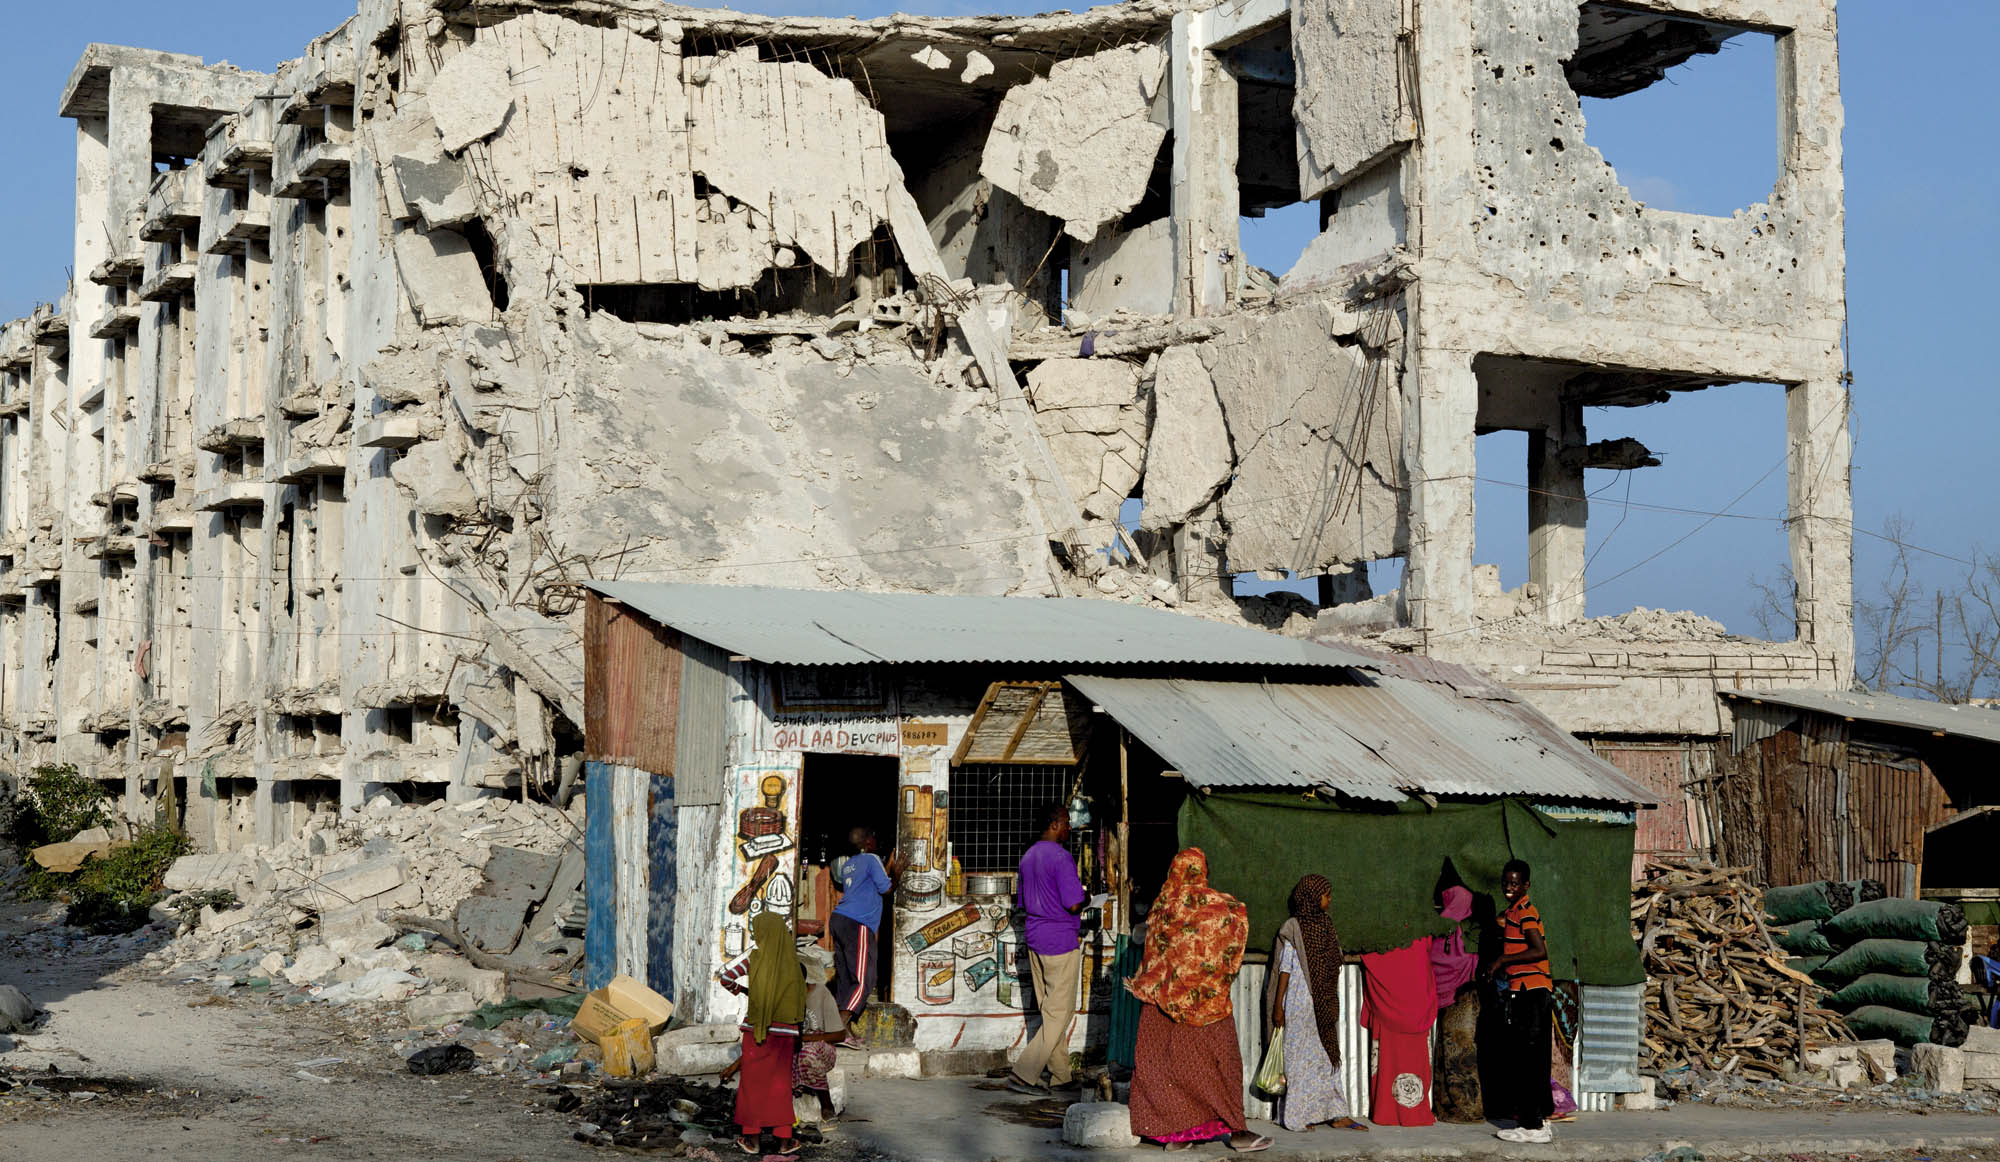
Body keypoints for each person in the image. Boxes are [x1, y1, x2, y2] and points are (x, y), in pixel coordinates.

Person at [1126, 848, 1271, 1153]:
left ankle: (1178, 1136)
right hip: (1208, 1005)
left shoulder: (1162, 906)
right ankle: (1237, 1133)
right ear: (1202, 871)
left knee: (1165, 1070)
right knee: (1222, 1066)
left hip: (1162, 1004)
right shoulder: (1219, 907)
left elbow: (1153, 955)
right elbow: (1237, 925)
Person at [1265, 874, 1366, 1133]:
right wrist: (1279, 1007)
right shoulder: (1294, 927)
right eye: (1325, 895)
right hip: (1298, 1003)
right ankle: (1296, 1117)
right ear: (1311, 897)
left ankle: (1336, 1113)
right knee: (1298, 1060)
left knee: (1325, 1057)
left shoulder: (1326, 925)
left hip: (1323, 1004)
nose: (1329, 900)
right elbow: (1285, 969)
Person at [1008, 802, 1090, 1097]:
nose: (1070, 828)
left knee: (1049, 1011)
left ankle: (1061, 1075)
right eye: (1067, 822)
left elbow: (1023, 902)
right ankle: (1024, 1073)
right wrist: (1088, 898)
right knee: (1059, 1013)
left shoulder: (1028, 856)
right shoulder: (1061, 857)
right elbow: (1073, 903)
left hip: (1035, 938)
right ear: (1055, 824)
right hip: (1059, 940)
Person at [720, 912, 807, 1156]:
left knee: (752, 1085)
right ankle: (784, 1141)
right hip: (787, 1033)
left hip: (758, 1031)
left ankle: (752, 1139)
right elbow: (800, 1000)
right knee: (780, 1086)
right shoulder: (793, 961)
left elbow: (725, 977)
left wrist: (744, 990)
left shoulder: (754, 957)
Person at [1489, 859, 1555, 1144]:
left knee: (1528, 1060)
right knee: (1532, 1059)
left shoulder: (1526, 911)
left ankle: (1531, 1126)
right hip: (1526, 989)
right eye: (1506, 882)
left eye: (1515, 883)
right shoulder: (1515, 911)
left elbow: (1538, 950)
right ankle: (1536, 1120)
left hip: (1532, 990)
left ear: (1526, 885)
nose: (1508, 887)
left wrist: (1504, 959)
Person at [1358, 915, 1438, 1127]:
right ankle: (1414, 1113)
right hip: (1418, 1012)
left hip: (1387, 1019)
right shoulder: (1419, 936)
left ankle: (1386, 1112)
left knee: (1387, 1064)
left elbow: (1368, 954)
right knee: (1415, 1063)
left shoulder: (1381, 937)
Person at [830, 825, 899, 1047]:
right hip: (857, 923)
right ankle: (839, 1025)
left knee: (846, 978)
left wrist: (887, 866)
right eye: (873, 836)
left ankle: (845, 1032)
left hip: (839, 919)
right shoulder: (871, 858)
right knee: (864, 978)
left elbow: (871, 883)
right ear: (868, 841)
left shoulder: (849, 864)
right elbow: (887, 889)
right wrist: (897, 872)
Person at [1430, 885, 1486, 1124]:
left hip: (1461, 996)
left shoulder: (1458, 931)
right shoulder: (1457, 930)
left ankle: (1468, 1109)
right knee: (1448, 1052)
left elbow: (1438, 959)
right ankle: (1448, 1108)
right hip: (1457, 996)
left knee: (1459, 1054)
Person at [793, 946, 846, 1126]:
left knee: (806, 1052)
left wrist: (806, 1039)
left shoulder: (821, 993)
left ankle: (826, 1103)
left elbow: (839, 1035)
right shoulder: (786, 997)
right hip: (796, 1043)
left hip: (821, 1048)